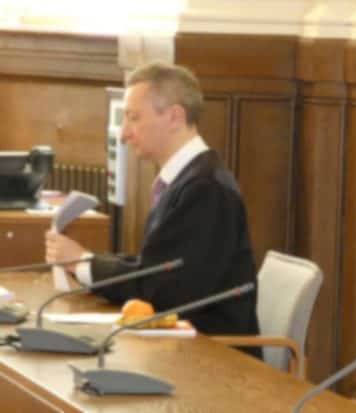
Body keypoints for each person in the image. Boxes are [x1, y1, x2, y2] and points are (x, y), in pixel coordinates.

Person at [45, 62, 261, 358]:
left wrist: (83, 263)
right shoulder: (190, 178)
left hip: (213, 358)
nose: (124, 133)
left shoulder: (206, 189)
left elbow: (162, 289)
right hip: (181, 348)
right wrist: (85, 261)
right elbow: (156, 266)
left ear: (174, 117)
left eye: (133, 118)